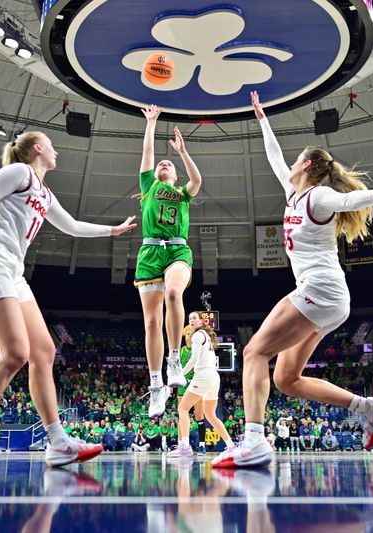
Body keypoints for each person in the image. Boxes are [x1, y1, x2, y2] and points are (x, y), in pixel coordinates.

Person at [211, 91, 373, 468]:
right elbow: (274, 156)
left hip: (320, 289)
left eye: (295, 160)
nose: (288, 163)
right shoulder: (293, 191)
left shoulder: (319, 195)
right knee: (286, 379)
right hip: (327, 297)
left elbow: (349, 202)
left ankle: (254, 440)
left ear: (305, 165)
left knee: (254, 352)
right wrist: (262, 119)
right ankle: (368, 406)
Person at [0, 130, 136, 469]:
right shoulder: (19, 173)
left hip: (13, 271)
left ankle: (58, 442)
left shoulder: (45, 193)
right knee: (16, 353)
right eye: (51, 146)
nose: (57, 151)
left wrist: (112, 230)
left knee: (44, 351)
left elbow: (73, 227)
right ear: (37, 149)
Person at [134, 105, 203, 418]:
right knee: (151, 323)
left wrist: (183, 152)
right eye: (161, 163)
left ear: (174, 175)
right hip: (150, 253)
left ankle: (174, 358)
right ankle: (155, 385)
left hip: (177, 250)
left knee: (174, 294)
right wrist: (151, 123)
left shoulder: (183, 192)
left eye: (168, 164)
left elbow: (197, 180)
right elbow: (148, 152)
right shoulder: (149, 186)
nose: (163, 164)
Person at [167, 312, 235, 458]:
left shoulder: (198, 335)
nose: (191, 320)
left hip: (203, 375)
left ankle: (184, 446)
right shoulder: (207, 335)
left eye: (194, 318)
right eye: (190, 318)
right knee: (210, 415)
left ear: (201, 321)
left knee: (182, 408)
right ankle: (230, 446)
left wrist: (180, 374)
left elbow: (194, 358)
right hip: (213, 377)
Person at [178, 325, 207, 455]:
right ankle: (181, 444)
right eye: (187, 334)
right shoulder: (181, 351)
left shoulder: (199, 350)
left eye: (191, 334)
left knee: (199, 416)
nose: (189, 336)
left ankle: (202, 445)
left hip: (196, 384)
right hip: (183, 386)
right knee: (182, 414)